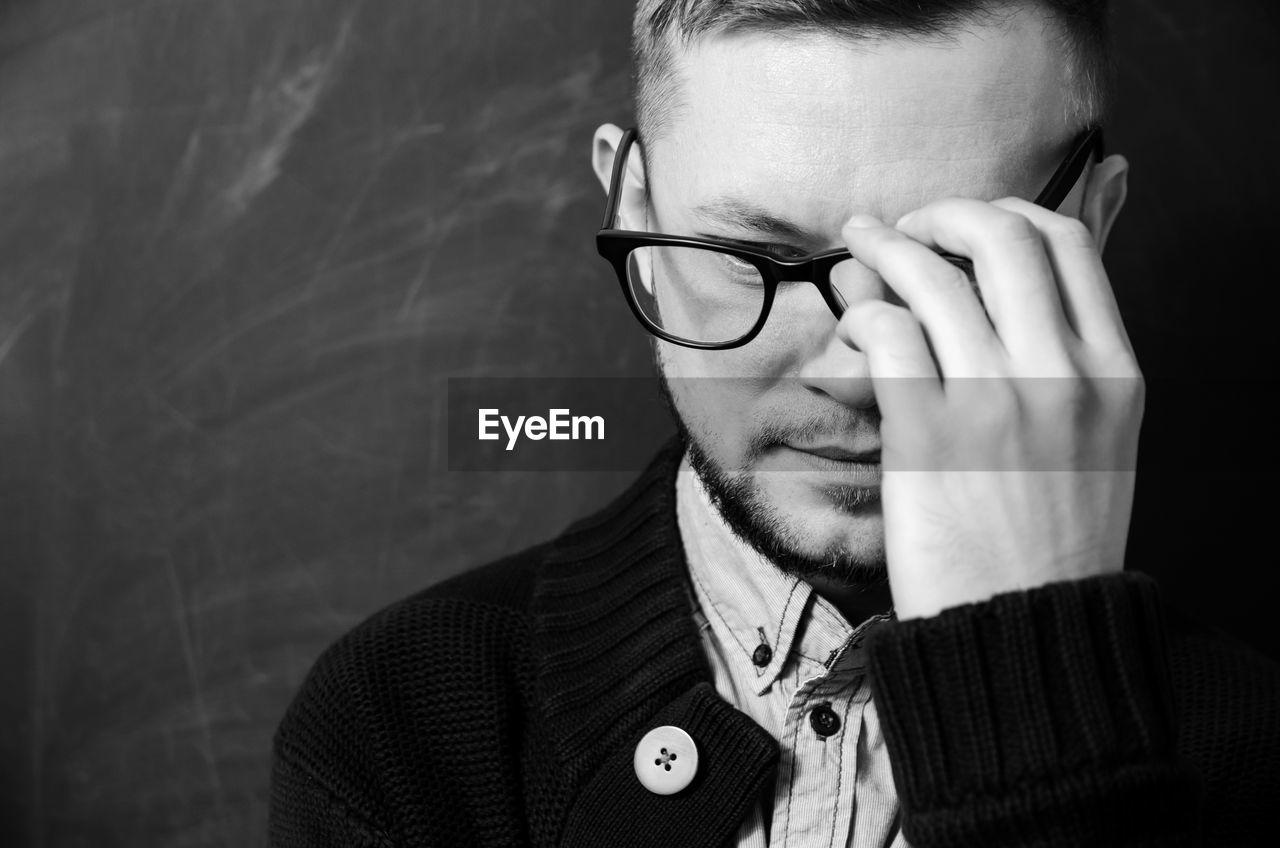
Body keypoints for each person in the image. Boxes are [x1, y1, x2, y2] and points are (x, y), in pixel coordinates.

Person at [269, 1, 1280, 845]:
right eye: (748, 259)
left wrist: (1038, 706)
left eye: (939, 268)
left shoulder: (1252, 750)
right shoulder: (401, 727)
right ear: (632, 210)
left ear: (1089, 230)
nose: (852, 372)